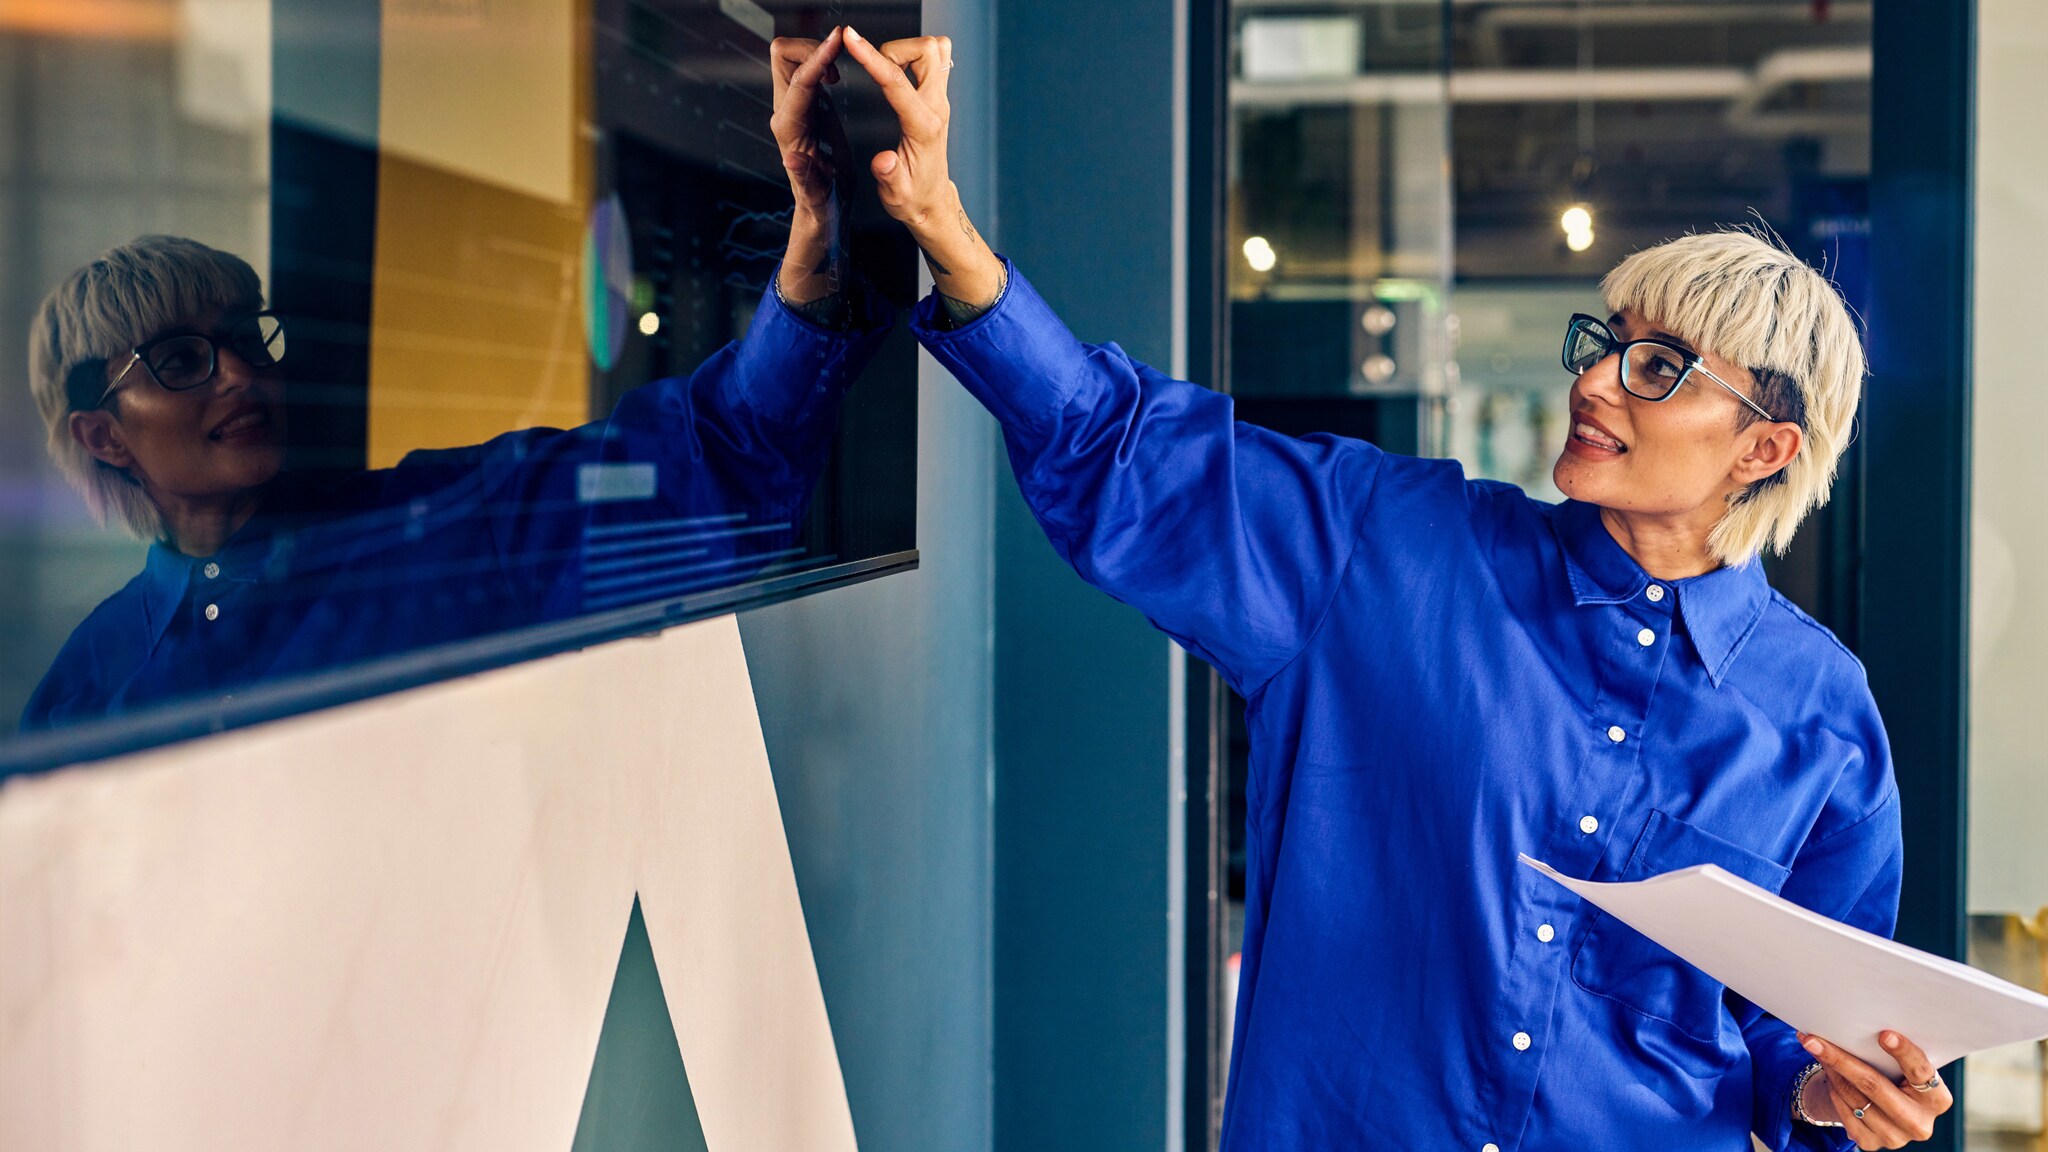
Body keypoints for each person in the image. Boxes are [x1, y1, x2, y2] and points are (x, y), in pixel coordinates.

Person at [822, 24, 1952, 1152]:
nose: (1595, 381)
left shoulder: (1823, 720)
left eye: (1657, 371)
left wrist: (1832, 1100)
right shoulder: (1387, 547)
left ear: (1761, 451)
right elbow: (1124, 453)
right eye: (1605, 344)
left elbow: (1793, 1059)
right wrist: (940, 227)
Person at [22, 35, 886, 731]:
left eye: (249, 336)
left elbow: (711, 461)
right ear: (103, 435)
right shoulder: (83, 692)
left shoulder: (434, 528)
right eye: (181, 361)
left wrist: (813, 241)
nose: (242, 374)